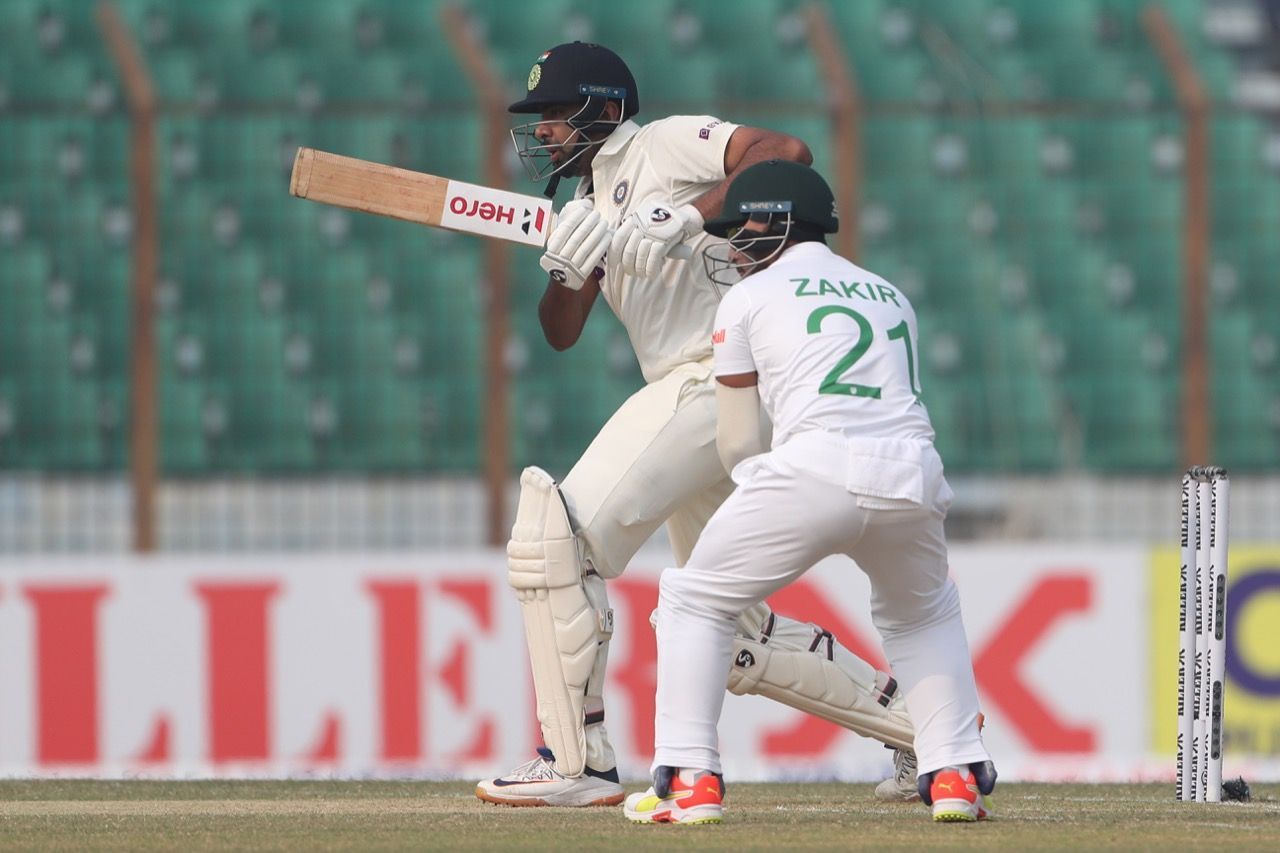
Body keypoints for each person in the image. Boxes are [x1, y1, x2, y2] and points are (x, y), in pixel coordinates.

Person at [474, 42, 918, 808]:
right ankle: (930, 732)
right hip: (699, 399)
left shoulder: (662, 145)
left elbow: (787, 155)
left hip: (717, 376)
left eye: (553, 114)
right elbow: (561, 331)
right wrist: (564, 269)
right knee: (735, 630)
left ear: (604, 109)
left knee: (558, 535)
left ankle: (576, 759)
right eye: (537, 119)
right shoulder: (583, 205)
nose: (542, 131)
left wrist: (685, 213)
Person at [622, 160, 995, 825]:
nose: (733, 246)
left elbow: (737, 441)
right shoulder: (888, 292)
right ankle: (956, 774)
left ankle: (689, 779)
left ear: (783, 221)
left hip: (814, 464)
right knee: (924, 614)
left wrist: (766, 496)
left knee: (694, 598)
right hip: (914, 469)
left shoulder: (745, 299)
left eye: (743, 228)